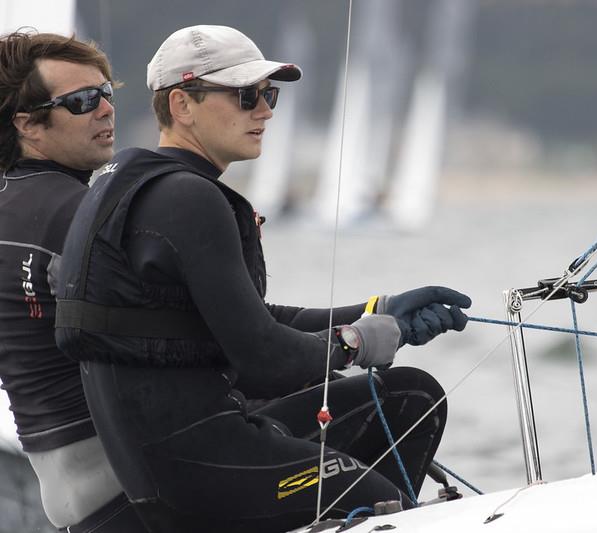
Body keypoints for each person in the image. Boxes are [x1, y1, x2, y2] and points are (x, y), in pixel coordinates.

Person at [54, 25, 471, 533]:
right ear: (182, 105)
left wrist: (377, 310)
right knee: (377, 498)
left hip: (185, 457)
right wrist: (361, 341)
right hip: (199, 471)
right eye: (246, 96)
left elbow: (253, 319)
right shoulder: (188, 197)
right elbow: (265, 358)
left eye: (268, 94)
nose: (266, 111)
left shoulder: (139, 186)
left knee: (410, 396)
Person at [0, 31, 147, 531]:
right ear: (28, 125)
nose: (106, 110)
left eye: (108, 93)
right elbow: (200, 342)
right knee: (398, 396)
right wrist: (350, 334)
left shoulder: (12, 206)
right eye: (83, 101)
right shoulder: (79, 211)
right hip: (127, 486)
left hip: (66, 498)